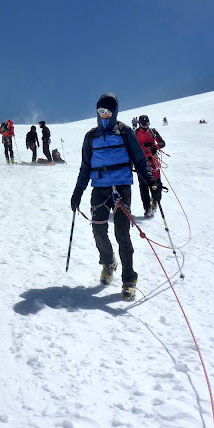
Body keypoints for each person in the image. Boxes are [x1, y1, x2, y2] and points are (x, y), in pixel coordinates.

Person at [70, 93, 160, 301]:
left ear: (115, 112)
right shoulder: (90, 137)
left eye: (107, 111)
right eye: (100, 111)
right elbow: (85, 168)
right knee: (98, 230)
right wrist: (77, 192)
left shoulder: (125, 132)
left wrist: (151, 182)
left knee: (122, 234)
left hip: (121, 188)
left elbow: (140, 160)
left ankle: (129, 280)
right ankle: (108, 262)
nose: (103, 114)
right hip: (99, 189)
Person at [135, 115, 165, 217]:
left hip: (153, 161)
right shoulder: (135, 133)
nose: (145, 126)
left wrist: (155, 147)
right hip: (141, 162)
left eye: (147, 124)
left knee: (157, 183)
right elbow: (131, 147)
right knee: (143, 186)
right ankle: (147, 207)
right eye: (143, 124)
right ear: (139, 123)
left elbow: (162, 143)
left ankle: (155, 200)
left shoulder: (153, 131)